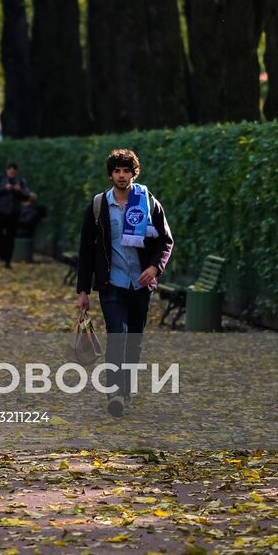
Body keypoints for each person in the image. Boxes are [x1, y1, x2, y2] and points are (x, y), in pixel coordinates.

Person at [75, 149, 174, 418]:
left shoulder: (148, 202)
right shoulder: (98, 206)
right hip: (113, 283)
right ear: (110, 174)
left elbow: (165, 241)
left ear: (133, 173)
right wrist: (82, 290)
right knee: (118, 334)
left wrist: (154, 267)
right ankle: (114, 393)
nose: (121, 175)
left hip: (140, 285)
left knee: (134, 342)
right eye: (117, 171)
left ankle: (126, 392)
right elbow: (86, 250)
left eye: (126, 171)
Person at [0, 163, 35, 269]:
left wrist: (19, 190)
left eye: (14, 171)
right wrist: (4, 189)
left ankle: (7, 261)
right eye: (10, 171)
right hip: (0, 211)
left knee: (10, 238)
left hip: (13, 213)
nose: (12, 173)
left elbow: (27, 196)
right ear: (7, 171)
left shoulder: (20, 181)